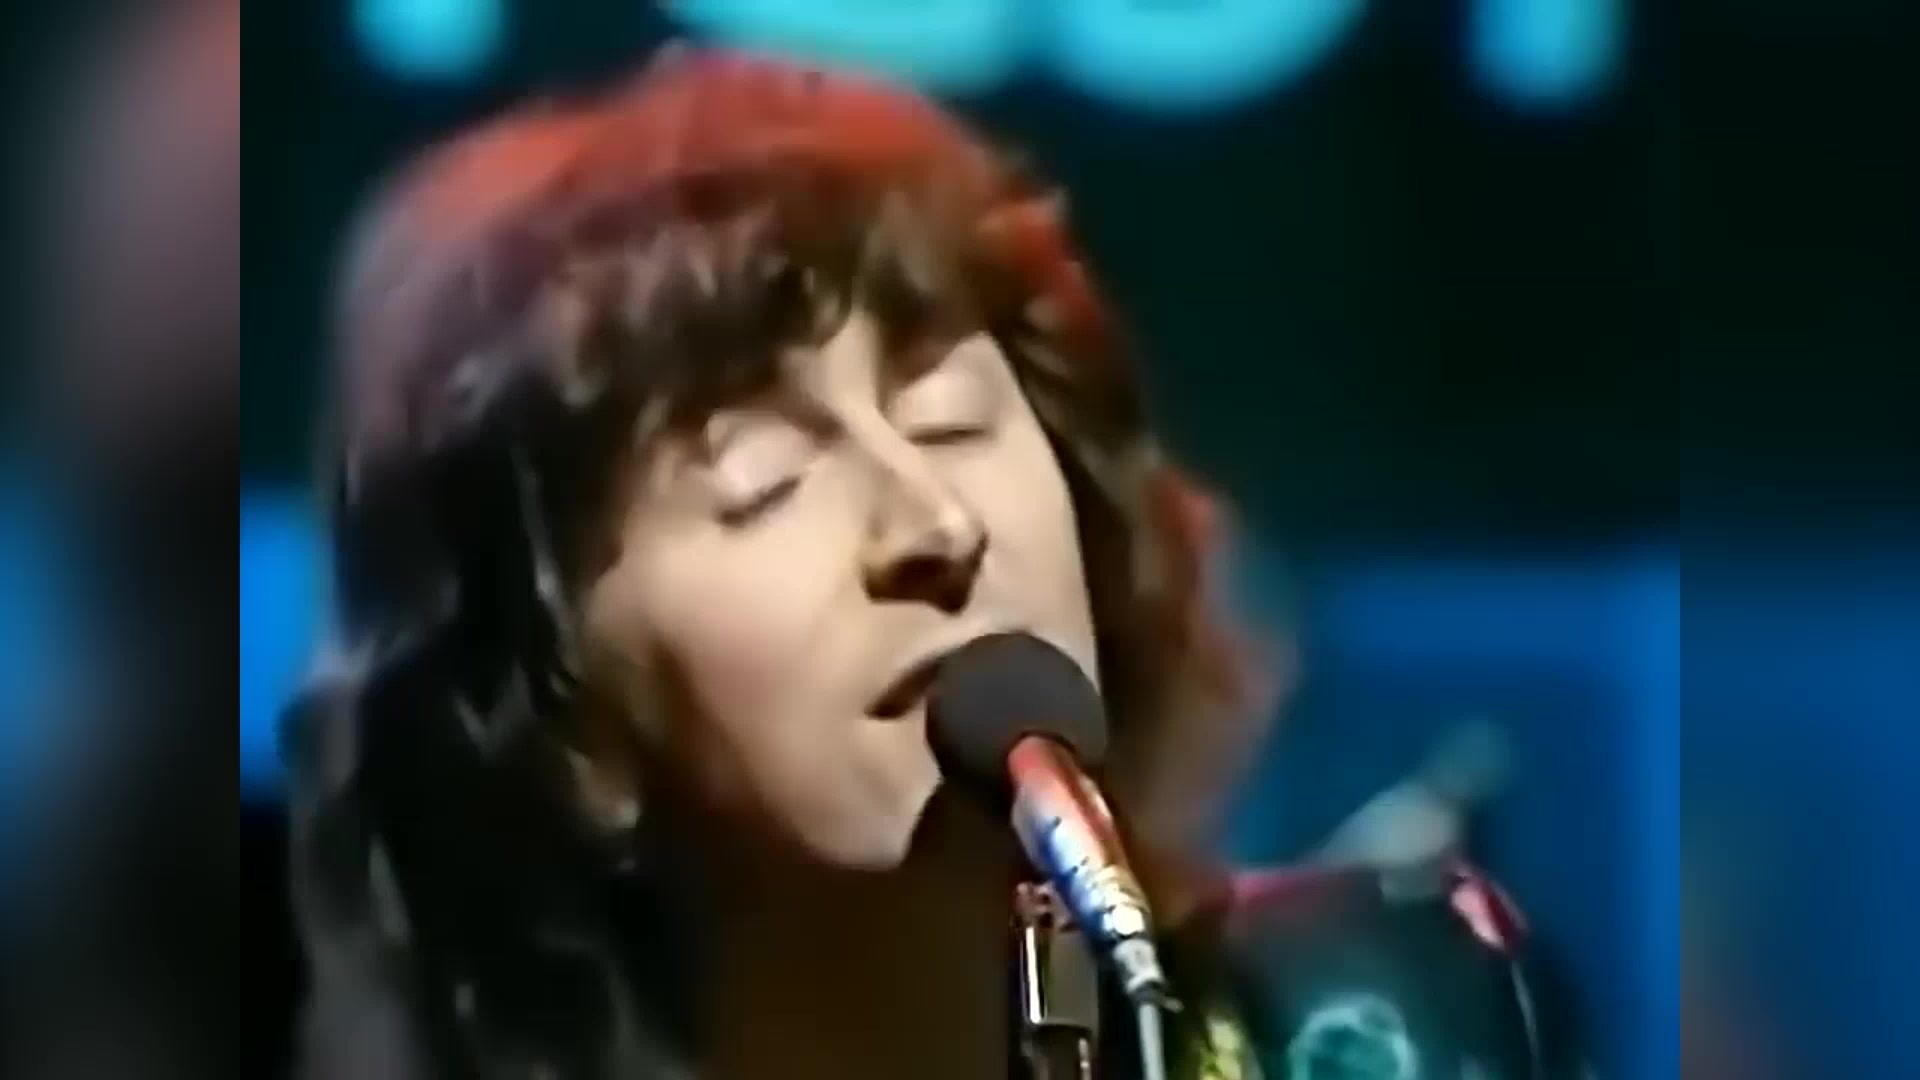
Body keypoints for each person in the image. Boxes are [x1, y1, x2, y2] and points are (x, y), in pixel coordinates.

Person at [285, 48, 1583, 1080]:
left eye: (955, 419)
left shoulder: (1388, 1028)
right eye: (760, 483)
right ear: (565, 716)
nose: (933, 523)